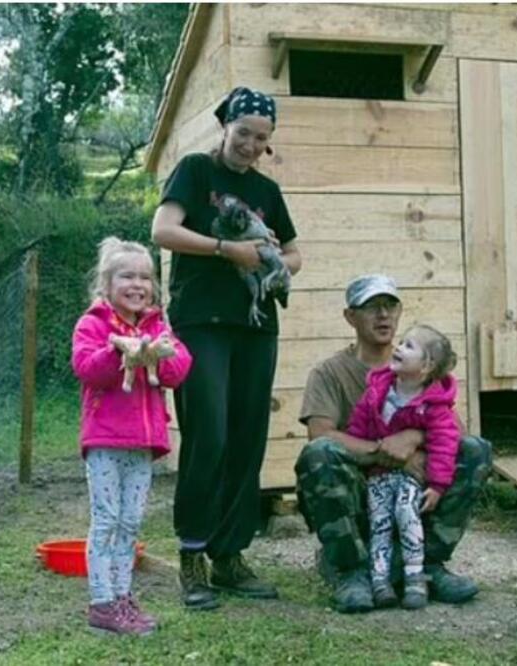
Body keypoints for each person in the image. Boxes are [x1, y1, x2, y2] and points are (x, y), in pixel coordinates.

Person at [151, 86, 302, 610]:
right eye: (244, 134)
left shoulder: (268, 189)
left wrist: (273, 262)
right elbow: (163, 230)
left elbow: (294, 252)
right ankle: (192, 554)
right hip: (200, 322)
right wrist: (226, 250)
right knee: (208, 433)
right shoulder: (194, 171)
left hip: (256, 325)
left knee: (246, 438)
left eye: (261, 138)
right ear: (226, 127)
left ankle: (230, 557)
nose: (251, 145)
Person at [295, 275, 493, 614]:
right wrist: (387, 452)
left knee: (476, 450)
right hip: (360, 488)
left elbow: (454, 432)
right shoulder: (329, 373)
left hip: (412, 492)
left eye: (390, 306)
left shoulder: (421, 367)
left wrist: (414, 438)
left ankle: (428, 563)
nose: (383, 315)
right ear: (350, 317)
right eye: (371, 307)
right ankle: (351, 570)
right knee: (320, 454)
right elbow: (321, 433)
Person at [71, 237, 192, 635]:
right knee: (106, 520)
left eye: (145, 277)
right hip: (105, 441)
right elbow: (87, 368)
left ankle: (123, 596)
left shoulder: (158, 326)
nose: (137, 284)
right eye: (126, 276)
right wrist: (120, 353)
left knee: (130, 522)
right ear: (106, 284)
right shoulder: (93, 323)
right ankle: (102, 601)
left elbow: (177, 372)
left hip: (143, 444)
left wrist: (160, 353)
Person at [345, 324, 460, 611]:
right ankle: (380, 581)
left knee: (409, 519)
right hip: (378, 477)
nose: (398, 348)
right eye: (402, 343)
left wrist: (437, 485)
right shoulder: (377, 391)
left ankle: (415, 577)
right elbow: (357, 427)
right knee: (379, 523)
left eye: (409, 346)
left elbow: (446, 444)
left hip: (411, 480)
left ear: (426, 366)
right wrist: (360, 459)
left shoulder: (433, 405)